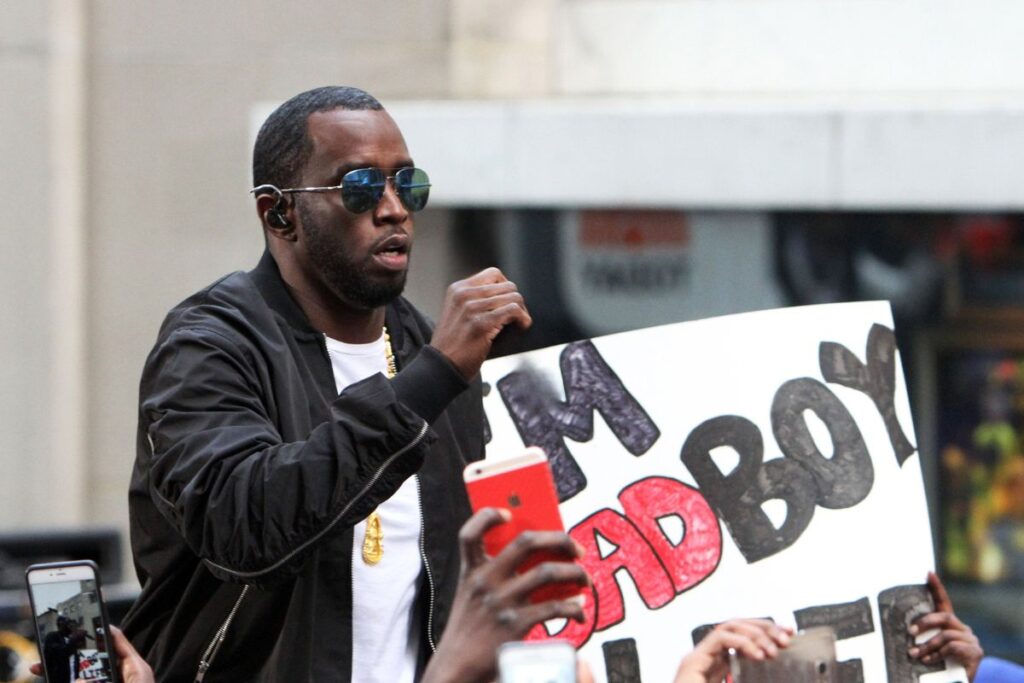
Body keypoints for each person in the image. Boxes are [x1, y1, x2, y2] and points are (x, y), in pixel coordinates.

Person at [121, 85, 559, 682]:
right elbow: (244, 527)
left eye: (408, 184)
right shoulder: (209, 345)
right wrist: (434, 378)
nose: (393, 208)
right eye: (359, 188)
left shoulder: (430, 354)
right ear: (279, 213)